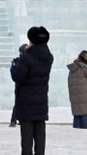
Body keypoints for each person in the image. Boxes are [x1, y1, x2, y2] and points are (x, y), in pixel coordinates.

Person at [11, 26, 54, 155]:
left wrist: (15, 64)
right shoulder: (48, 57)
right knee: (40, 140)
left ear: (32, 40)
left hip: (26, 105)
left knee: (27, 142)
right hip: (41, 103)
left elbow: (18, 76)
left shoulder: (26, 58)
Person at [66, 50, 87, 129]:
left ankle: (76, 132)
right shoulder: (83, 66)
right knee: (85, 113)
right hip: (84, 95)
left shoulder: (73, 67)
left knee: (77, 114)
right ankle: (84, 131)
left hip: (75, 96)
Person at [10, 44, 28, 127]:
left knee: (19, 103)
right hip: (23, 85)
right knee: (20, 103)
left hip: (20, 85)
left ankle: (15, 120)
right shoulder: (20, 61)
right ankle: (15, 120)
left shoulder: (17, 61)